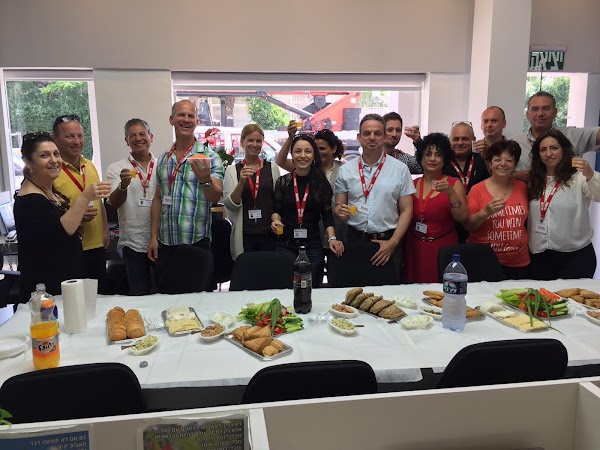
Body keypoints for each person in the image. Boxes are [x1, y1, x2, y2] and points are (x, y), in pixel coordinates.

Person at [14, 132, 111, 303]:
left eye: (56, 154)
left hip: (65, 283)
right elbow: (62, 231)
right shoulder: (30, 200)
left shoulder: (48, 191)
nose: (54, 160)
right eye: (44, 155)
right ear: (28, 162)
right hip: (47, 291)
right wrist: (84, 197)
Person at [147, 100, 224, 288]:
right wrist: (153, 237)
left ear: (197, 121)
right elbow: (158, 198)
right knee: (166, 297)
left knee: (198, 300)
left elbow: (216, 197)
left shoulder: (210, 157)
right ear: (171, 119)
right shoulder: (163, 159)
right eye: (181, 115)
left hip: (196, 243)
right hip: (166, 243)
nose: (186, 119)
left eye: (191, 116)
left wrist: (205, 180)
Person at [334, 114, 414, 276]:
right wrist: (339, 211)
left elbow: (407, 210)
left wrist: (393, 243)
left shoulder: (400, 169)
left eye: (377, 133)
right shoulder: (345, 170)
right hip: (355, 240)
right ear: (359, 137)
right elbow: (338, 206)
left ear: (384, 137)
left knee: (387, 289)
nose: (372, 137)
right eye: (367, 133)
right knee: (355, 288)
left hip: (388, 242)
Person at [271, 134, 344, 287]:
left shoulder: (321, 183)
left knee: (312, 287)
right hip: (286, 244)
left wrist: (332, 238)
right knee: (284, 287)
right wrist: (276, 220)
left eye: (308, 151)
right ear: (292, 154)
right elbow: (276, 208)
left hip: (312, 245)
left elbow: (327, 215)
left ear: (313, 155)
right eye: (298, 151)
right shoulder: (283, 182)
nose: (303, 156)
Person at [527, 129, 600, 280]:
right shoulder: (534, 179)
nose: (548, 154)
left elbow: (598, 195)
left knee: (575, 296)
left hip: (575, 256)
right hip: (540, 256)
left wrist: (590, 174)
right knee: (542, 295)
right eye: (543, 150)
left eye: (554, 148)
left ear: (564, 150)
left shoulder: (579, 178)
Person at [52, 114, 110, 292]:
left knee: (99, 296)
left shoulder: (89, 165)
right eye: (69, 136)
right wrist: (77, 216)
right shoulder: (52, 172)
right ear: (55, 139)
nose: (76, 141)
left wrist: (105, 230)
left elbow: (99, 202)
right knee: (76, 298)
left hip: (97, 245)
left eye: (80, 136)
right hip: (71, 248)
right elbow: (51, 214)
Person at [404, 133, 468, 283]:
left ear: (444, 159)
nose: (432, 159)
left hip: (442, 247)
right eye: (428, 154)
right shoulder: (412, 184)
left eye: (438, 155)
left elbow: (462, 217)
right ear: (421, 158)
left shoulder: (453, 183)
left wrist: (451, 193)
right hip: (414, 247)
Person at [463, 140, 530, 279]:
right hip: (484, 260)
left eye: (509, 160)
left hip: (518, 261)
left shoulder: (522, 187)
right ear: (490, 163)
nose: (503, 164)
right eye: (498, 160)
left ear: (515, 164)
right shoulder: (477, 189)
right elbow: (468, 226)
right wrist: (485, 212)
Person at [106, 119, 157, 295]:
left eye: (142, 134)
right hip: (133, 241)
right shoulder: (117, 168)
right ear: (126, 140)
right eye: (132, 135)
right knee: (139, 292)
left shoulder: (161, 166)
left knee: (163, 291)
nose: (138, 138)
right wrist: (123, 186)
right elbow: (114, 203)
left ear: (151, 137)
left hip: (160, 239)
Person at [276, 123, 347, 245]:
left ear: (334, 149)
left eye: (322, 148)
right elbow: (281, 161)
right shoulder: (306, 167)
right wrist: (290, 138)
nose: (319, 152)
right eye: (316, 149)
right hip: (312, 230)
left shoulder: (344, 170)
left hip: (335, 227)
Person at [223, 123, 281, 260]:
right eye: (250, 140)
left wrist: (277, 220)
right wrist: (241, 183)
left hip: (269, 234)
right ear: (242, 142)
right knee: (247, 270)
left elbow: (278, 201)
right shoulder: (232, 171)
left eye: (258, 141)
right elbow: (230, 206)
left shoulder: (272, 168)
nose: (254, 144)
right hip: (244, 235)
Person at [512, 91, 600, 173]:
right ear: (527, 115)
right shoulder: (515, 143)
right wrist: (514, 176)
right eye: (535, 109)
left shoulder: (571, 135)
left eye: (546, 108)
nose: (540, 114)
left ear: (555, 112)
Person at [443, 121, 490, 195]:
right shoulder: (443, 161)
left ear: (473, 140)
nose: (460, 143)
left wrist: (487, 157)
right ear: (450, 141)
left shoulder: (482, 158)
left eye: (465, 139)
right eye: (456, 139)